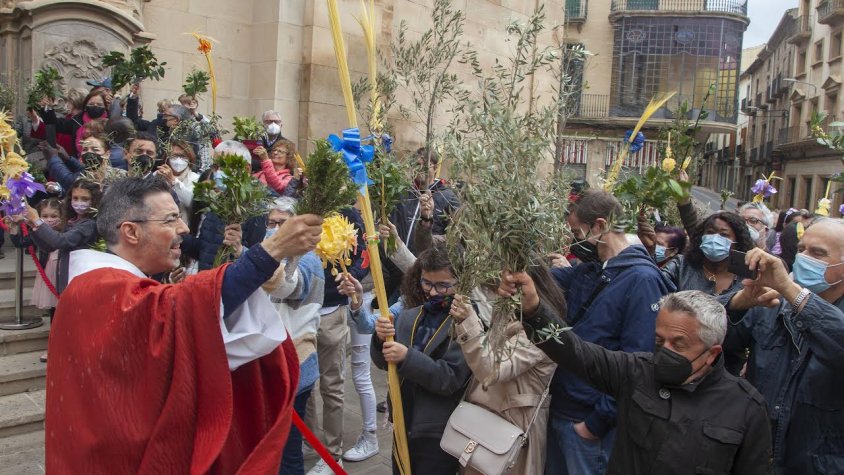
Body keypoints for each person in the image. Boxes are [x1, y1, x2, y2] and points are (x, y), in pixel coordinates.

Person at [45, 176, 324, 473]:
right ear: (131, 231)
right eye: (170, 219)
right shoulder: (105, 288)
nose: (184, 229)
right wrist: (273, 248)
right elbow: (192, 306)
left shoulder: (98, 283)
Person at [499, 275, 773, 475]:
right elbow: (576, 353)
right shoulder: (637, 371)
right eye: (659, 340)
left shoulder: (745, 409)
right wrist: (533, 310)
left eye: (678, 344)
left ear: (712, 353)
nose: (665, 350)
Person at [548, 189, 675, 475]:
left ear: (600, 226)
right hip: (565, 407)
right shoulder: (593, 270)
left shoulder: (642, 280)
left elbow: (639, 363)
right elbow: (546, 279)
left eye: (577, 232)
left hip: (589, 424)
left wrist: (595, 424)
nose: (575, 241)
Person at [722, 218, 844, 474]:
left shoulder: (789, 294)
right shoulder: (772, 303)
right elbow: (706, 336)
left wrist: (793, 292)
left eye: (817, 253)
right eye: (801, 249)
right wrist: (736, 304)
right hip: (756, 459)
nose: (804, 258)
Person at [447, 263, 564, 475]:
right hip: (486, 420)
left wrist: (468, 321)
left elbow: (491, 369)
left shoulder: (544, 330)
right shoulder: (510, 313)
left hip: (513, 428)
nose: (500, 292)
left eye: (507, 287)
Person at [371, 245, 471, 474]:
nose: (433, 292)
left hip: (437, 430)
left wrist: (407, 357)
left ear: (461, 282)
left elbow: (449, 379)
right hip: (403, 419)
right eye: (427, 283)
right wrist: (380, 340)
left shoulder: (467, 324)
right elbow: (382, 363)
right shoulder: (410, 316)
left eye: (442, 285)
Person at [257, 198, 326, 475]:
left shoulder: (308, 260)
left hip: (295, 364)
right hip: (269, 364)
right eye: (271, 223)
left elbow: (286, 286)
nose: (276, 230)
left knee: (288, 451)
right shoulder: (270, 254)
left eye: (282, 223)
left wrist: (267, 255)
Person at [305, 205, 368, 475]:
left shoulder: (348, 215)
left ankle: (332, 454)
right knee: (304, 384)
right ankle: (309, 442)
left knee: (331, 386)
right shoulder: (303, 208)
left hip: (331, 311)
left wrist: (350, 276)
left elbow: (363, 257)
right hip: (301, 310)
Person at [17, 179, 100, 295]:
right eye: (75, 198)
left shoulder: (89, 224)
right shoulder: (72, 220)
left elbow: (60, 241)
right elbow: (49, 247)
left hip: (80, 281)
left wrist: (37, 220)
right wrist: (33, 225)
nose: (79, 202)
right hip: (66, 279)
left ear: (94, 201)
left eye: (85, 199)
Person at [661, 211, 755, 296]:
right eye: (710, 232)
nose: (714, 239)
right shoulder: (681, 266)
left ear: (738, 243)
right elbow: (658, 287)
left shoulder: (745, 277)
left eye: (724, 234)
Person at [40, 89, 110, 157]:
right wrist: (47, 107)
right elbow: (55, 123)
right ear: (85, 106)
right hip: (78, 162)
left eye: (99, 104)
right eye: (91, 104)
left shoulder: (110, 124)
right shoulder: (77, 121)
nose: (95, 106)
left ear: (105, 107)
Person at [159, 139, 200, 225]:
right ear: (167, 158)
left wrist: (174, 181)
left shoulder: (196, 179)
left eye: (182, 156)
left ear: (189, 159)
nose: (178, 160)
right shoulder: (158, 176)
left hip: (184, 226)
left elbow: (192, 202)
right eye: (174, 156)